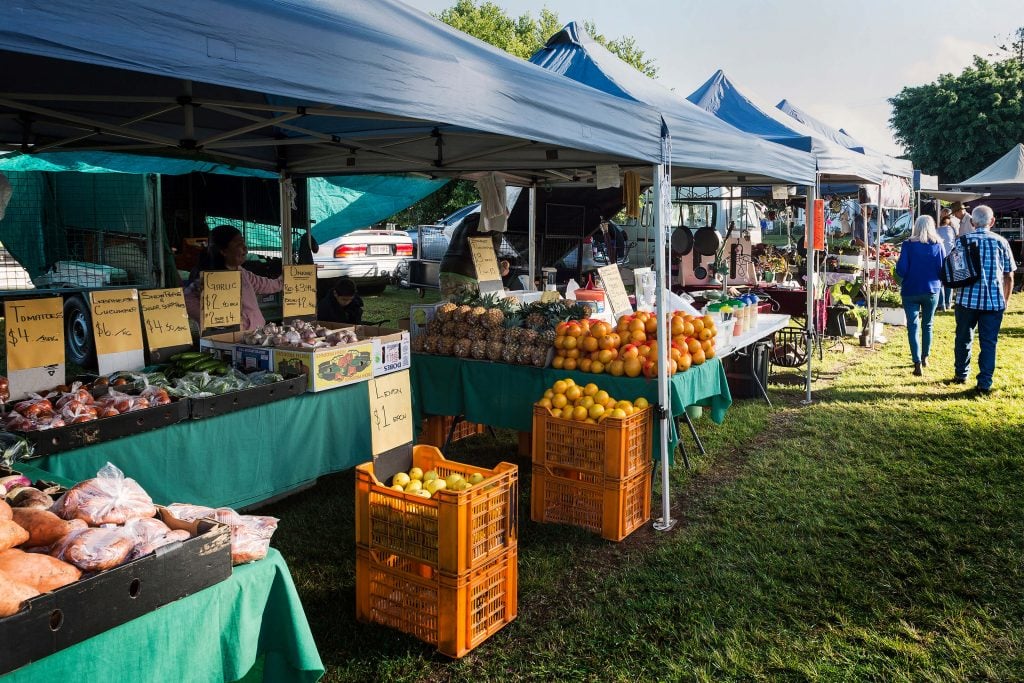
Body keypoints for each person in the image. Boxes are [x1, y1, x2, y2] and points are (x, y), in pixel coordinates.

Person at [951, 204, 1016, 394]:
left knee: (963, 338)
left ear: (972, 222)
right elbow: (1009, 275)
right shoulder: (1001, 242)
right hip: (993, 301)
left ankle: (961, 374)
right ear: (993, 221)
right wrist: (1006, 300)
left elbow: (955, 272)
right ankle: (984, 383)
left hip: (966, 300)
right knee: (989, 342)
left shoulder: (962, 241)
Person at [184, 224, 283, 331]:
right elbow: (187, 300)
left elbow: (263, 284)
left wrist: (286, 281)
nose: (245, 248)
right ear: (224, 251)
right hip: (229, 340)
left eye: (244, 242)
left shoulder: (241, 272)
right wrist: (210, 319)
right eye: (239, 244)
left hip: (255, 335)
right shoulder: (208, 279)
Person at [896, 216, 946, 376]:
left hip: (910, 289)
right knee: (928, 324)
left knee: (912, 325)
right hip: (932, 289)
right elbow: (943, 269)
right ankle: (925, 357)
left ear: (915, 226)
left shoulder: (908, 245)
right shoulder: (938, 244)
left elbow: (901, 270)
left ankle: (916, 361)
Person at [438, 213, 502, 296]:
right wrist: (501, 269)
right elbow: (490, 259)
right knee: (471, 308)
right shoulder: (495, 225)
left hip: (445, 269)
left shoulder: (468, 220)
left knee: (450, 307)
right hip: (467, 274)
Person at [935, 214, 957, 311]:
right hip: (951, 257)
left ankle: (941, 304)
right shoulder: (953, 230)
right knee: (949, 281)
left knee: (940, 282)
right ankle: (948, 303)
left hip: (940, 258)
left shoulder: (937, 230)